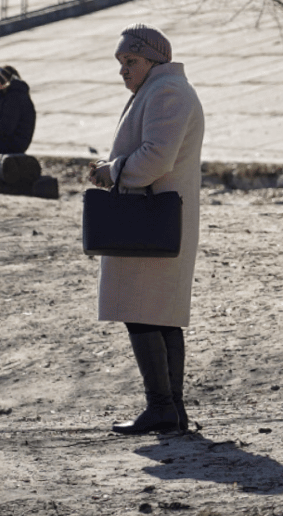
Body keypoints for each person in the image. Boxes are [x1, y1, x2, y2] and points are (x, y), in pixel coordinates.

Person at [87, 24, 204, 435]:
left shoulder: (166, 92)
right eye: (120, 62)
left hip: (152, 221)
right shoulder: (158, 90)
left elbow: (156, 157)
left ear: (154, 59)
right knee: (159, 315)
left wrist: (111, 172)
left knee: (142, 313)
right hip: (157, 220)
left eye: (130, 60)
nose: (123, 69)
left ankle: (163, 408)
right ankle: (170, 410)